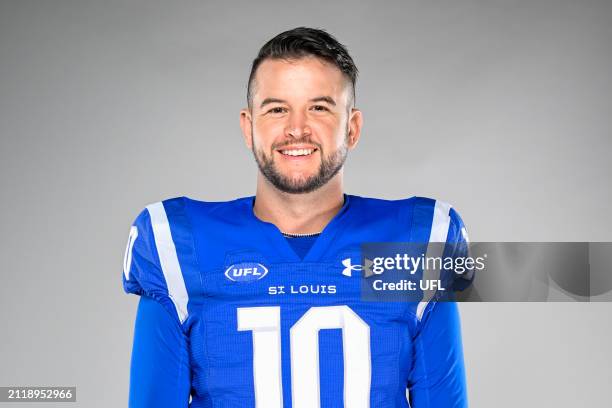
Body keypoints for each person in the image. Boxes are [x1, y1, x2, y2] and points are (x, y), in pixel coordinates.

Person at [122, 26, 470, 408]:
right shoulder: (181, 245)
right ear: (248, 126)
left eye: (319, 107)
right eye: (277, 109)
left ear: (352, 128)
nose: (297, 129)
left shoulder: (413, 242)